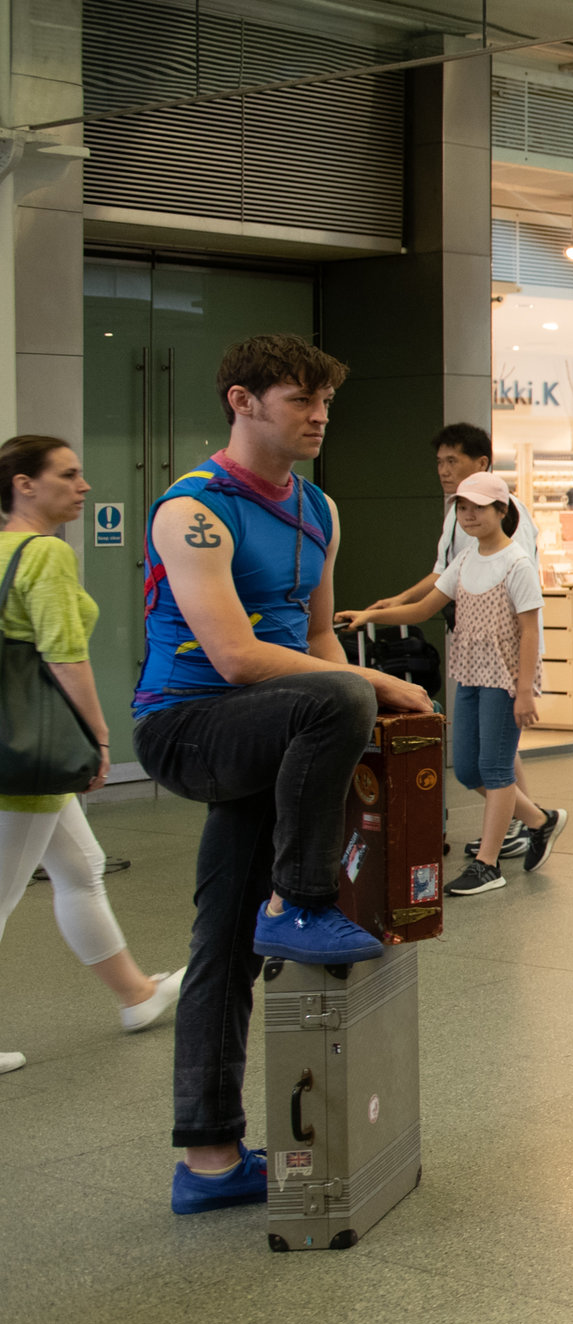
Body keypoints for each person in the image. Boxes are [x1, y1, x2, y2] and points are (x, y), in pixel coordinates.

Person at [135, 335, 433, 1214]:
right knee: (341, 695)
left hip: (274, 726)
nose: (319, 417)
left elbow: (313, 641)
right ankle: (299, 901)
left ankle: (210, 1161)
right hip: (188, 725)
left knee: (220, 943)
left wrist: (353, 694)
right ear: (242, 400)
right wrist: (369, 684)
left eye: (326, 404)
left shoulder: (319, 509)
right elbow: (231, 657)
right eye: (300, 401)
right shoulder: (192, 511)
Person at [0, 437, 184, 1077]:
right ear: (24, 484)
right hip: (32, 755)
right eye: (69, 475)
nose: (83, 486)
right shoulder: (43, 552)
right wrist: (101, 736)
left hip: (11, 742)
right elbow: (62, 653)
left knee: (83, 868)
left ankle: (135, 995)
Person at [341, 473, 565, 896]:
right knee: (466, 769)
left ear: (502, 511)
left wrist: (523, 691)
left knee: (496, 771)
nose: (469, 515)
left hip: (503, 679)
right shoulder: (465, 561)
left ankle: (488, 865)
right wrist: (369, 616)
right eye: (463, 508)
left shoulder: (518, 564)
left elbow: (531, 631)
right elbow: (424, 607)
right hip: (471, 675)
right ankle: (541, 821)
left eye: (479, 508)